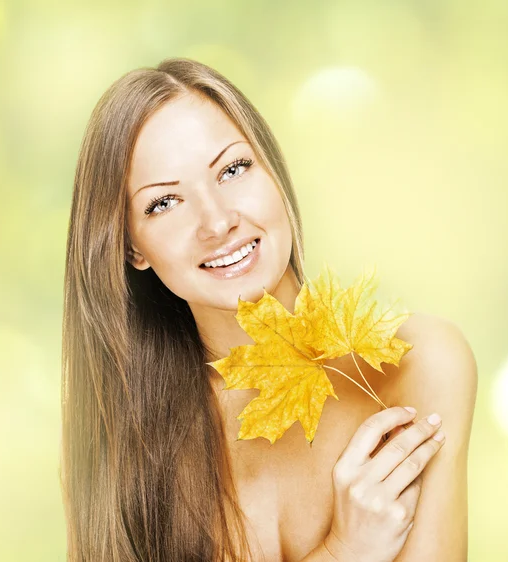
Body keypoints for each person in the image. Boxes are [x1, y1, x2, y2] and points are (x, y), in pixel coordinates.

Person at [60, 57, 478, 562]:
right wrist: (345, 552)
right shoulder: (118, 439)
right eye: (165, 203)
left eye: (232, 169)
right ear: (132, 249)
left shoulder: (419, 363)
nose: (216, 222)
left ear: (272, 171)